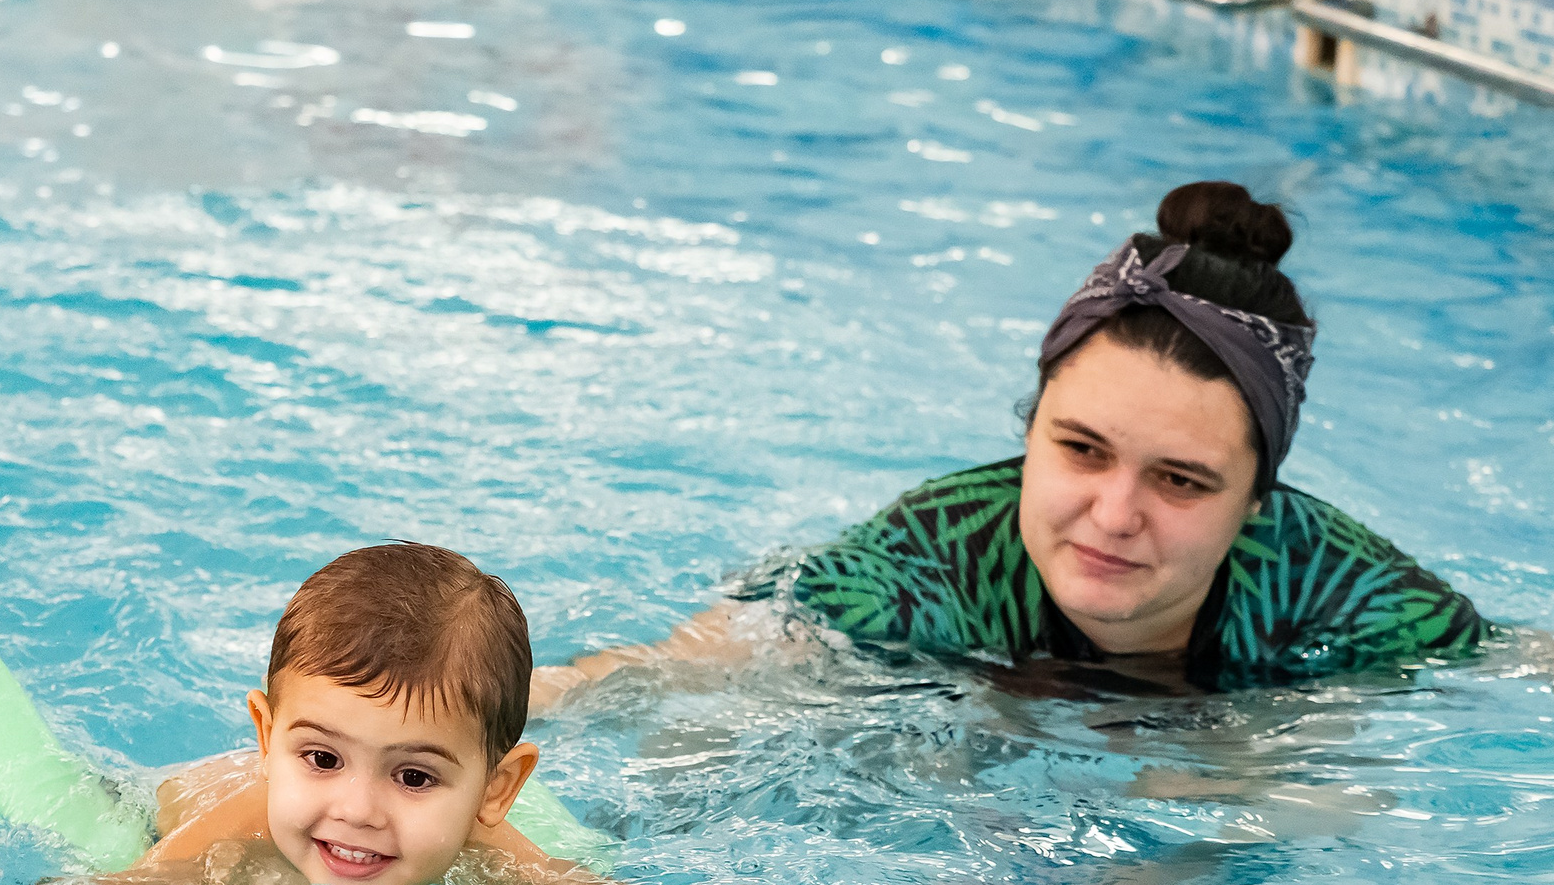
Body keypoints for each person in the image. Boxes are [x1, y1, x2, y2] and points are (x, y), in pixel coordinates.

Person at [531, 182, 1486, 709]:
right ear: (1028, 432)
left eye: (1182, 480)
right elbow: (681, 667)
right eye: (1080, 450)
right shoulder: (928, 559)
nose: (1114, 516)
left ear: (1257, 503)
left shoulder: (1341, 590)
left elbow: (1514, 669)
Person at [63, 542, 723, 885]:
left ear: (495, 791)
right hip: (158, 798)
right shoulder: (231, 845)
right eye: (322, 759)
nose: (357, 810)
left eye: (413, 776)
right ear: (267, 740)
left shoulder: (486, 855)